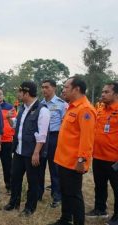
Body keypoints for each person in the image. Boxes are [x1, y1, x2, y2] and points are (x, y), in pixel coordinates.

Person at [49, 76, 96, 225]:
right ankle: (65, 219)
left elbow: (87, 139)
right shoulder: (72, 107)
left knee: (75, 195)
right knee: (65, 192)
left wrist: (82, 160)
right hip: (62, 159)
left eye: (66, 87)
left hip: (74, 162)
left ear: (76, 89)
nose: (63, 90)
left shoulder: (85, 109)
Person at [3, 81, 50, 217]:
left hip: (32, 153)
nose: (18, 94)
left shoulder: (43, 110)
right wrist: (9, 119)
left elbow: (42, 135)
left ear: (26, 93)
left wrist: (36, 153)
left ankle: (30, 208)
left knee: (32, 181)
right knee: (15, 178)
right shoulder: (22, 108)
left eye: (19, 92)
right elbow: (17, 126)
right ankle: (14, 203)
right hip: (19, 151)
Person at [85, 82, 118, 225]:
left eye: (106, 92)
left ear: (116, 94)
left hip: (114, 159)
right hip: (98, 156)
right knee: (99, 185)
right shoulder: (100, 109)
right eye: (102, 92)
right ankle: (100, 209)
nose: (102, 94)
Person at [39, 79, 68, 207]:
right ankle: (37, 193)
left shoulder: (62, 104)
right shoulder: (40, 104)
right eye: (42, 87)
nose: (44, 90)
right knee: (39, 167)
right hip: (42, 138)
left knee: (55, 169)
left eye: (47, 87)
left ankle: (57, 196)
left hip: (55, 138)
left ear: (54, 88)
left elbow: (65, 125)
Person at [0, 87, 17, 194]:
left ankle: (9, 186)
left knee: (8, 165)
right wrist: (4, 116)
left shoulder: (10, 107)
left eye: (0, 94)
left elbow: (14, 122)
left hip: (7, 140)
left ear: (3, 95)